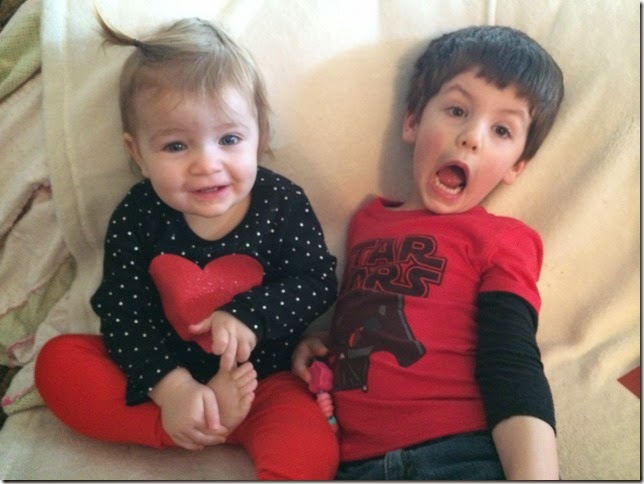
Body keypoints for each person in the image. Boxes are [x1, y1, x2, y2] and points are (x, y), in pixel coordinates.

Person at [35, 15, 340, 480]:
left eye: (229, 139)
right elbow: (122, 313)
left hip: (264, 384)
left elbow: (316, 281)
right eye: (176, 146)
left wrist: (250, 315)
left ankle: (211, 422)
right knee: (59, 365)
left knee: (312, 452)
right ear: (138, 153)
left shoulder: (281, 203)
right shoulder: (138, 215)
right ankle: (182, 428)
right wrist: (171, 389)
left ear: (259, 137)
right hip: (162, 382)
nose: (206, 164)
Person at [293, 25, 564, 480]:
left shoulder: (503, 239)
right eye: (457, 110)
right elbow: (372, 314)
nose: (472, 137)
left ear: (516, 166)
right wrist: (319, 341)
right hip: (353, 465)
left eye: (501, 129)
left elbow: (512, 359)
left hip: (461, 455)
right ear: (413, 122)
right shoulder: (365, 223)